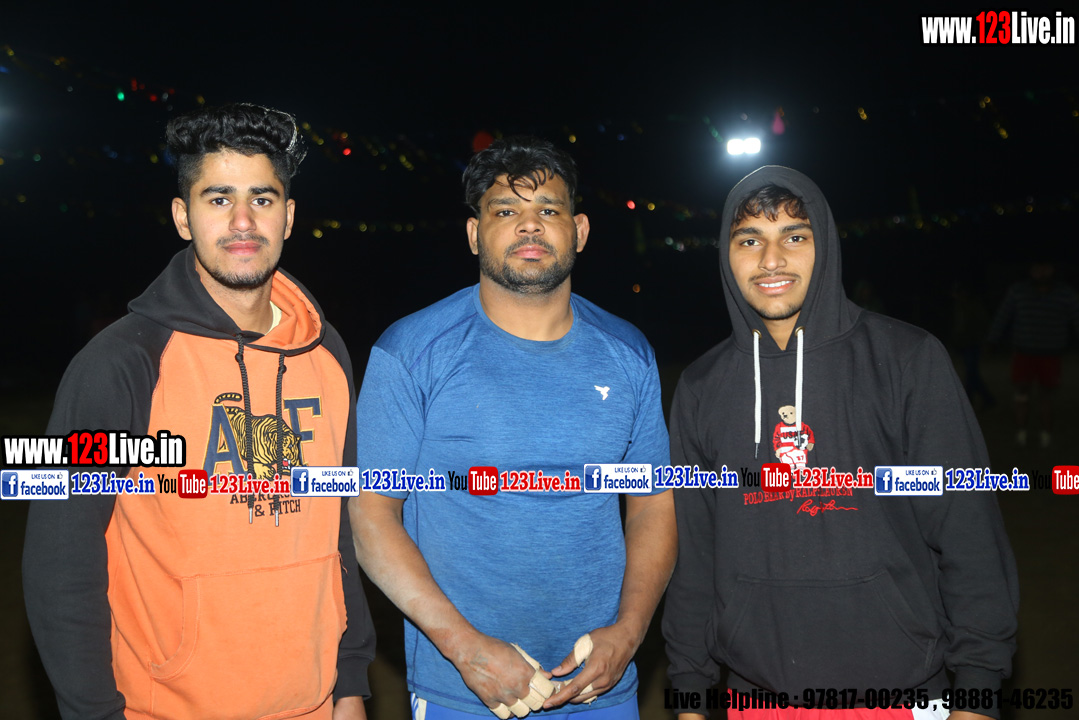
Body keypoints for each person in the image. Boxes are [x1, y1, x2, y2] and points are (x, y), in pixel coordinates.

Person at [22, 103, 374, 719]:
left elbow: (340, 528)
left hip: (314, 704)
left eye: (262, 199)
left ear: (290, 217)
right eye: (218, 199)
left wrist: (349, 683)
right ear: (183, 217)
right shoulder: (121, 363)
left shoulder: (326, 354)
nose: (243, 221)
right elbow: (61, 562)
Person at [662, 166, 1018, 720]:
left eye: (794, 237)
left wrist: (977, 690)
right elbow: (695, 558)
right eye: (749, 240)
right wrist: (688, 695)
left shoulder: (907, 360)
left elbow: (968, 536)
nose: (771, 260)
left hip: (902, 694)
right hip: (757, 698)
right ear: (726, 256)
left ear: (824, 244)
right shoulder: (702, 387)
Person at [350, 136, 675, 719]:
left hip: (601, 687)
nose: (530, 225)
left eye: (548, 209)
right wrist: (465, 649)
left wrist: (628, 635)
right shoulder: (411, 352)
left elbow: (653, 506)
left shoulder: (628, 353)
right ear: (474, 234)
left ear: (579, 230)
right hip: (464, 689)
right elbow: (372, 517)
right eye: (505, 211)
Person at [987, 260, 1079, 448]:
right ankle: (1021, 432)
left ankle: (1046, 434)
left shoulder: (1066, 294)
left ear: (1053, 269)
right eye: (1037, 269)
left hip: (1051, 354)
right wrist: (992, 339)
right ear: (1030, 270)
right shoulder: (1018, 291)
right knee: (1022, 393)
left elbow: (1077, 318)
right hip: (1024, 352)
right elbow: (1003, 316)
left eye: (1046, 268)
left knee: (1046, 395)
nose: (1041, 273)